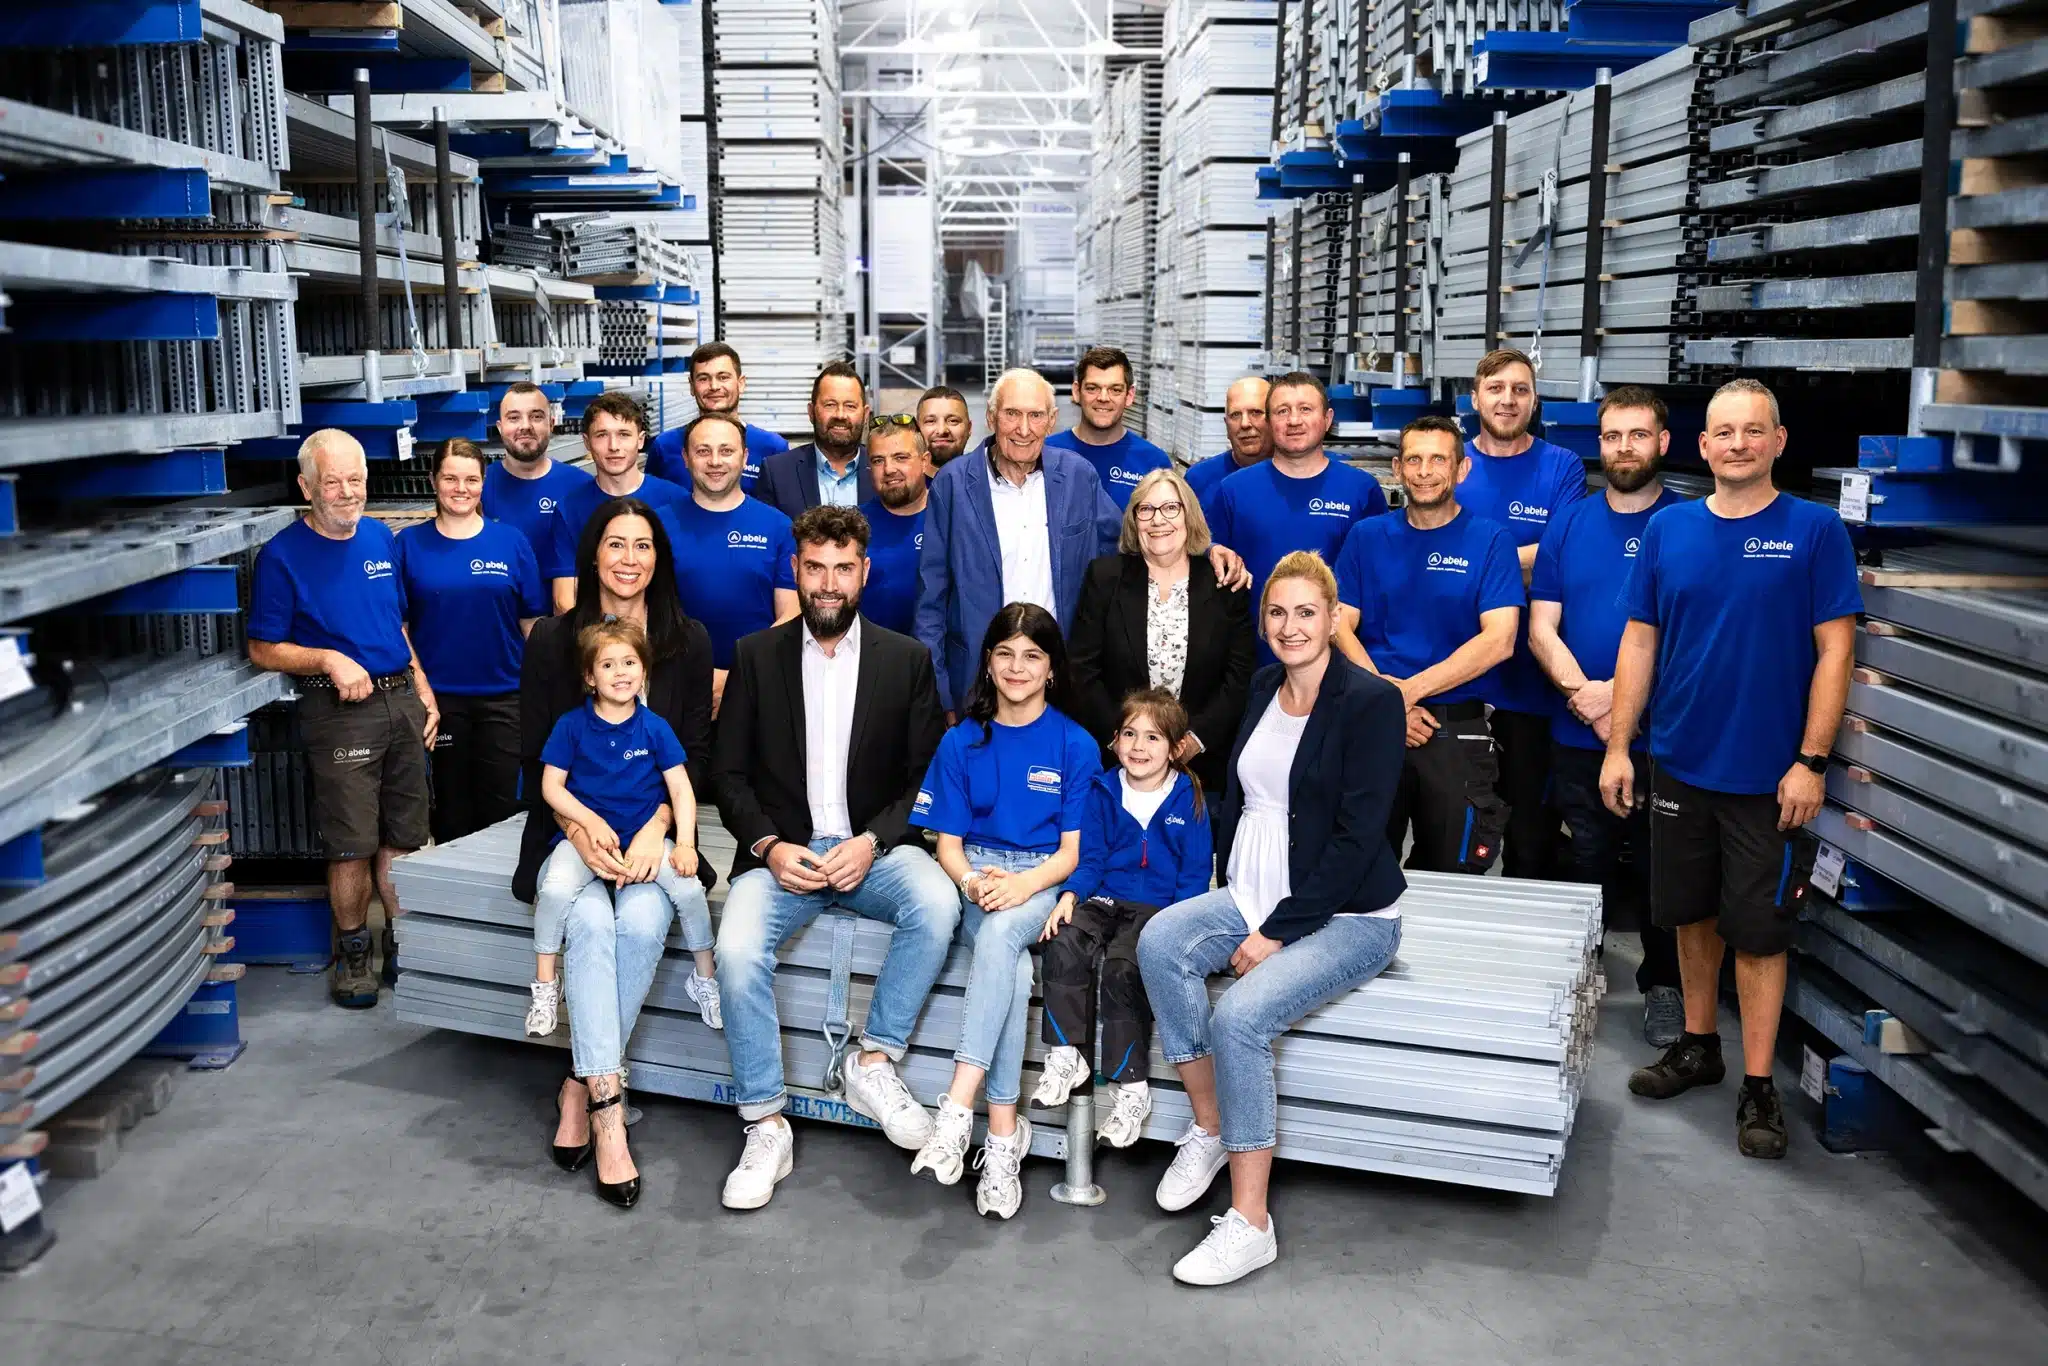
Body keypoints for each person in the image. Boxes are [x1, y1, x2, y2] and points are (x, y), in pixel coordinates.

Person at [1601, 378, 1860, 1160]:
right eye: (1724, 432)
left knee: (1759, 933)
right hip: (1679, 763)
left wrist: (1811, 761)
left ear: (1779, 442)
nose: (1739, 443)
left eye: (1754, 430)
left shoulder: (1815, 531)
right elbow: (1639, 642)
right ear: (1703, 446)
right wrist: (1620, 745)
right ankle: (1700, 1044)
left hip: (1767, 776)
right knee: (1689, 914)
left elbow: (1836, 650)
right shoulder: (1670, 531)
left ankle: (1757, 1085)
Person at [1138, 551, 1406, 1286]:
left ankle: (1251, 1222)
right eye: (1278, 613)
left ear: (1332, 617)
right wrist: (1235, 900)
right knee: (1161, 940)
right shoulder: (1262, 687)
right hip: (1254, 891)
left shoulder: (1370, 701)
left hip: (1348, 913)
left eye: (1306, 613)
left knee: (1239, 1019)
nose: (1290, 627)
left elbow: (1356, 841)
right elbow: (1240, 801)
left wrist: (1276, 932)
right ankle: (1212, 1127)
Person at [710, 505, 959, 1210]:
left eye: (841, 569)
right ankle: (764, 1123)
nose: (827, 583)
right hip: (782, 855)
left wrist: (872, 841)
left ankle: (873, 1060)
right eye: (814, 568)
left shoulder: (905, 659)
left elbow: (922, 779)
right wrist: (769, 845)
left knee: (937, 903)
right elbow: (727, 775)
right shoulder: (757, 655)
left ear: (865, 573)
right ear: (795, 569)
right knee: (735, 949)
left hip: (872, 849)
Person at [516, 498, 715, 1210]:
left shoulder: (688, 641)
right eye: (614, 544)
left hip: (652, 834)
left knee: (634, 924)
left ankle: (580, 1083)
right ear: (593, 556)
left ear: (658, 559)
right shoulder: (552, 640)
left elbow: (695, 757)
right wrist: (577, 830)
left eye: (643, 545)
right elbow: (535, 756)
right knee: (593, 924)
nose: (629, 558)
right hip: (570, 831)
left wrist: (662, 825)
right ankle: (609, 1116)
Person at [907, 604, 1101, 1219]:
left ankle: (956, 1106)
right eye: (1005, 654)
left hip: (1042, 877)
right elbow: (948, 846)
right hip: (979, 881)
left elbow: (1072, 853)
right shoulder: (962, 738)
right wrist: (973, 885)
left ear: (1050, 669)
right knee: (1011, 967)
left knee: (998, 944)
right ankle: (1001, 1139)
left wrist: (1021, 888)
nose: (1018, 667)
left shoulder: (1076, 743)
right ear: (988, 664)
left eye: (1033, 656)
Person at [918, 367, 1246, 720]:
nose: (1024, 429)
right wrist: (941, 696)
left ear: (1052, 420)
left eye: (1036, 415)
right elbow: (931, 599)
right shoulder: (953, 484)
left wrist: (1205, 549)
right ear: (991, 417)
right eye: (1012, 414)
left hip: (1061, 680)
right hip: (976, 679)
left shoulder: (1077, 476)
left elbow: (1134, 535)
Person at [248, 430, 437, 1009]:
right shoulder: (282, 556)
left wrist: (423, 690)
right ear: (306, 487)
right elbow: (263, 648)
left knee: (405, 835)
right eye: (333, 482)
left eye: (356, 479)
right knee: (352, 842)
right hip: (339, 711)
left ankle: (402, 942)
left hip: (400, 698)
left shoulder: (381, 537)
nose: (348, 492)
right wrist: (328, 659)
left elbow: (395, 625)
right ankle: (353, 951)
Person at [1528, 386, 1687, 1046]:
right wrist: (1586, 698)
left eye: (1638, 435)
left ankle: (1665, 987)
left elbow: (1685, 637)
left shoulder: (1687, 524)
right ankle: (1580, 972)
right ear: (1599, 444)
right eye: (1613, 435)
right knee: (1585, 858)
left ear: (1663, 443)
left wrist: (1618, 703)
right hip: (1576, 729)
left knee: (1661, 867)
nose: (1624, 448)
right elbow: (1542, 627)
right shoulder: (1569, 522)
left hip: (1661, 737)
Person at [1335, 417, 1520, 873]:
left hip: (1455, 733)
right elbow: (1338, 625)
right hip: (1374, 727)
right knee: (1359, 870)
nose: (1424, 470)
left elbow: (1499, 640)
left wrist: (1404, 693)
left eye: (1439, 459)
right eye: (1413, 459)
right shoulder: (1366, 536)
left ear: (1462, 470)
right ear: (1397, 468)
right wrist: (1387, 700)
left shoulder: (1490, 540)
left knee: (1452, 873)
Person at [1029, 688, 1213, 1148]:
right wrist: (1070, 896)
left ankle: (1130, 1089)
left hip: (1159, 911)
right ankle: (1066, 1054)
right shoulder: (1103, 790)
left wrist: (1175, 928)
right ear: (1115, 740)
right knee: (1065, 941)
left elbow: (1194, 877)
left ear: (1175, 748)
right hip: (1106, 896)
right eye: (1129, 734)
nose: (1138, 747)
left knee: (1122, 967)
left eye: (1153, 737)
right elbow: (1089, 861)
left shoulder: (1189, 799)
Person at [526, 617, 718, 1046]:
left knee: (689, 891)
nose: (620, 673)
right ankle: (544, 987)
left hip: (643, 840)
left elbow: (682, 789)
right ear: (589, 677)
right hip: (587, 842)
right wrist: (589, 823)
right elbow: (550, 788)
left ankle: (705, 978)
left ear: (644, 672)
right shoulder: (571, 726)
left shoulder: (655, 727)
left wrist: (684, 843)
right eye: (608, 665)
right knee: (556, 889)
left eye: (629, 662)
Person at [1458, 348, 1591, 879]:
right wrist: (1518, 565)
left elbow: (1558, 552)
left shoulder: (1562, 467)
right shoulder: (1454, 462)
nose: (1507, 400)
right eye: (1496, 389)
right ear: (1475, 398)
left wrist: (1472, 569)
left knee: (1530, 833)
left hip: (1532, 684)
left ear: (1534, 401)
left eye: (1519, 389)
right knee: (1457, 831)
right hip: (1462, 677)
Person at [1066, 467, 1256, 794]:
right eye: (1146, 510)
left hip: (1198, 770)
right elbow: (1083, 669)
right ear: (1133, 521)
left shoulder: (1224, 583)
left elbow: (1239, 676)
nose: (1158, 520)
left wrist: (1195, 740)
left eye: (1171, 508)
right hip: (1117, 765)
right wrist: (1126, 740)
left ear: (1189, 516)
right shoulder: (1105, 578)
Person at [396, 439, 547, 844]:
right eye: (450, 478)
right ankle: (451, 904)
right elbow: (399, 625)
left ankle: (499, 903)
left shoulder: (511, 542)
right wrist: (420, 685)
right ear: (433, 481)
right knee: (449, 814)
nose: (461, 488)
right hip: (439, 703)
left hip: (505, 700)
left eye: (471, 479)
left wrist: (543, 694)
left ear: (483, 484)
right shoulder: (408, 545)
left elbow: (532, 625)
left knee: (503, 812)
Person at [1203, 371, 1389, 666]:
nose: (1293, 421)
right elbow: (1207, 557)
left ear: (1327, 419)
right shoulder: (1234, 490)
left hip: (1337, 661)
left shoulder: (1361, 490)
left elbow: (1379, 581)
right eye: (1282, 411)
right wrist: (1210, 549)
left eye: (1305, 409)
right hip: (1252, 660)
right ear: (1269, 420)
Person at [663, 413, 800, 715]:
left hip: (757, 686)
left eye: (726, 450)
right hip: (674, 687)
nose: (715, 461)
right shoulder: (657, 525)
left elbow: (790, 613)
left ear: (744, 456)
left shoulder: (779, 527)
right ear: (686, 457)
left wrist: (738, 675)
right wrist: (698, 675)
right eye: (703, 451)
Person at [548, 392, 691, 612]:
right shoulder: (570, 509)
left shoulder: (677, 501)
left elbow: (688, 582)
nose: (613, 446)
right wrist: (609, 641)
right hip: (596, 639)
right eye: (602, 435)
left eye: (624, 434)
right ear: (587, 442)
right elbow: (565, 600)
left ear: (641, 440)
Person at [481, 381, 591, 583]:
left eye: (536, 417)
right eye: (514, 418)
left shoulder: (582, 487)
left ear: (551, 423)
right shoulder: (479, 489)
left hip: (568, 611)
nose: (525, 426)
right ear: (500, 427)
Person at [647, 341, 790, 491]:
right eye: (703, 378)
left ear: (741, 383)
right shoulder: (665, 446)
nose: (714, 386)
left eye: (723, 377)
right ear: (691, 386)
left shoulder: (773, 449)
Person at [1045, 345, 1172, 509]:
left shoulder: (1152, 462)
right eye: (1092, 388)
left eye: (1115, 390)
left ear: (1129, 395)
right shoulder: (1047, 453)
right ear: (1076, 391)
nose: (1103, 398)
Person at [754, 362, 873, 516]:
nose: (840, 415)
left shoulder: (884, 470)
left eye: (850, 406)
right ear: (811, 412)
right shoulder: (776, 473)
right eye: (830, 405)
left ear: (865, 415)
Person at [855, 415, 931, 635]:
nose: (889, 469)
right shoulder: (853, 526)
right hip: (872, 661)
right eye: (878, 460)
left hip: (936, 661)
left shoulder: (951, 519)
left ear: (924, 461)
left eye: (900, 457)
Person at [1183, 376, 1271, 507]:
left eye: (1255, 412)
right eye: (1235, 415)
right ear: (1226, 424)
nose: (1245, 424)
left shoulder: (1296, 477)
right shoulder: (1199, 479)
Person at [917, 385, 974, 468]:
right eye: (930, 421)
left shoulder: (985, 479)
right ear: (917, 428)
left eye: (953, 421)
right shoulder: (904, 480)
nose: (941, 430)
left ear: (969, 428)